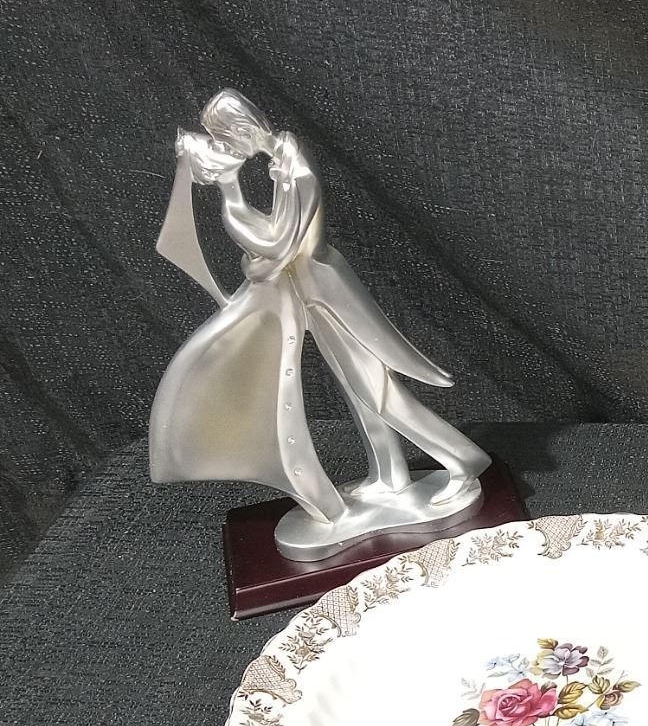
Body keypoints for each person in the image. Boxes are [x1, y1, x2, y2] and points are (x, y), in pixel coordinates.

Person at [150, 89, 489, 558]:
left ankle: (462, 461)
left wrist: (233, 202)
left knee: (377, 390)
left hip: (328, 294)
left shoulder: (297, 166)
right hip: (309, 297)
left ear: (243, 130)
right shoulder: (281, 162)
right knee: (357, 393)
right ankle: (390, 475)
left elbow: (280, 246)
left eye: (226, 139)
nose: (226, 149)